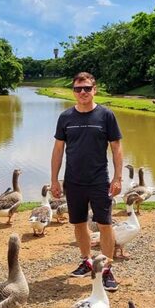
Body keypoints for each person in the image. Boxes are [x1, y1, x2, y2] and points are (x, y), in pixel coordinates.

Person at [51, 72, 123, 291]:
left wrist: (118, 177)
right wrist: (54, 179)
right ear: (73, 91)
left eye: (87, 88)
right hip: (73, 180)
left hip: (99, 179)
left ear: (95, 89)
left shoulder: (106, 116)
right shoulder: (65, 118)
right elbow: (58, 150)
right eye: (78, 89)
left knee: (104, 223)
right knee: (79, 223)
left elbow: (116, 148)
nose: (82, 92)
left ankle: (107, 269)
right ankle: (86, 260)